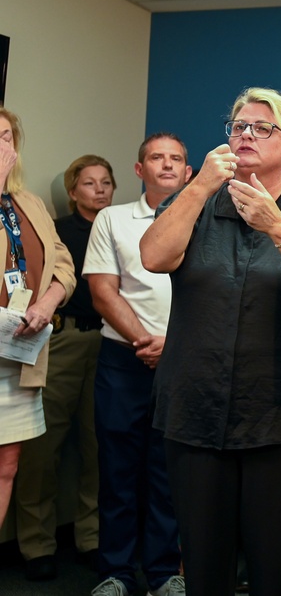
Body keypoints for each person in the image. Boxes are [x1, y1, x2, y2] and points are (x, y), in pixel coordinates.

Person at [139, 87, 281, 596]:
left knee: (275, 570)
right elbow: (153, 256)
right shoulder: (198, 204)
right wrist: (198, 187)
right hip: (197, 411)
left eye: (262, 127)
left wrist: (276, 225)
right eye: (238, 127)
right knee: (205, 569)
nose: (247, 135)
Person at [84, 133, 190, 596]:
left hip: (183, 362)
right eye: (156, 157)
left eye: (176, 159)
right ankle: (117, 573)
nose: (166, 165)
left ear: (189, 172)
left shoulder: (205, 218)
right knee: (118, 472)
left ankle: (166, 575)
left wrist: (174, 344)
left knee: (170, 474)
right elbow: (103, 290)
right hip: (122, 363)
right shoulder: (112, 218)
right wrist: (145, 340)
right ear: (139, 168)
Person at [15, 154, 115, 581]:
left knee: (99, 444)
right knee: (45, 444)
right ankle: (37, 544)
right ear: (73, 191)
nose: (100, 189)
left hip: (110, 341)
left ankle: (91, 537)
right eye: (89, 183)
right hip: (64, 339)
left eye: (106, 182)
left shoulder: (122, 228)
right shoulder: (56, 229)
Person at [0, 108, 75, 530]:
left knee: (6, 467)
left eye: (7, 137)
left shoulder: (28, 202)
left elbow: (63, 263)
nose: (2, 146)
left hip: (17, 355)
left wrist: (48, 301)